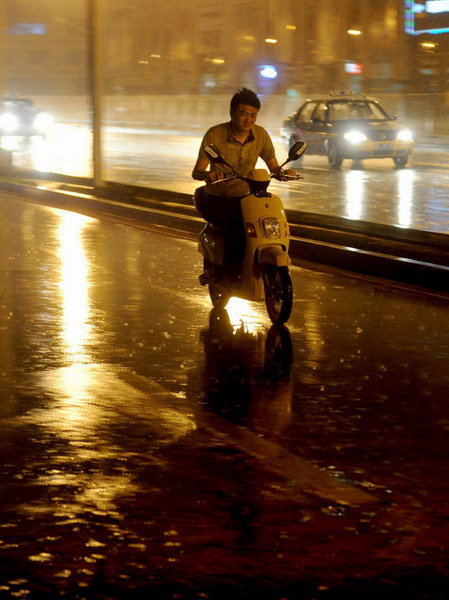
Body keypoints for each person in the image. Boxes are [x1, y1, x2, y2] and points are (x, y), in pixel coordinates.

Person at [192, 87, 296, 276]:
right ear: (232, 113)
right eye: (243, 114)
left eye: (253, 115)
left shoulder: (261, 135)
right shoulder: (215, 135)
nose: (248, 120)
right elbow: (197, 172)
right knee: (238, 228)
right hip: (219, 197)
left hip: (247, 198)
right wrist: (209, 175)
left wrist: (283, 173)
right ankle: (231, 275)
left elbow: (273, 167)